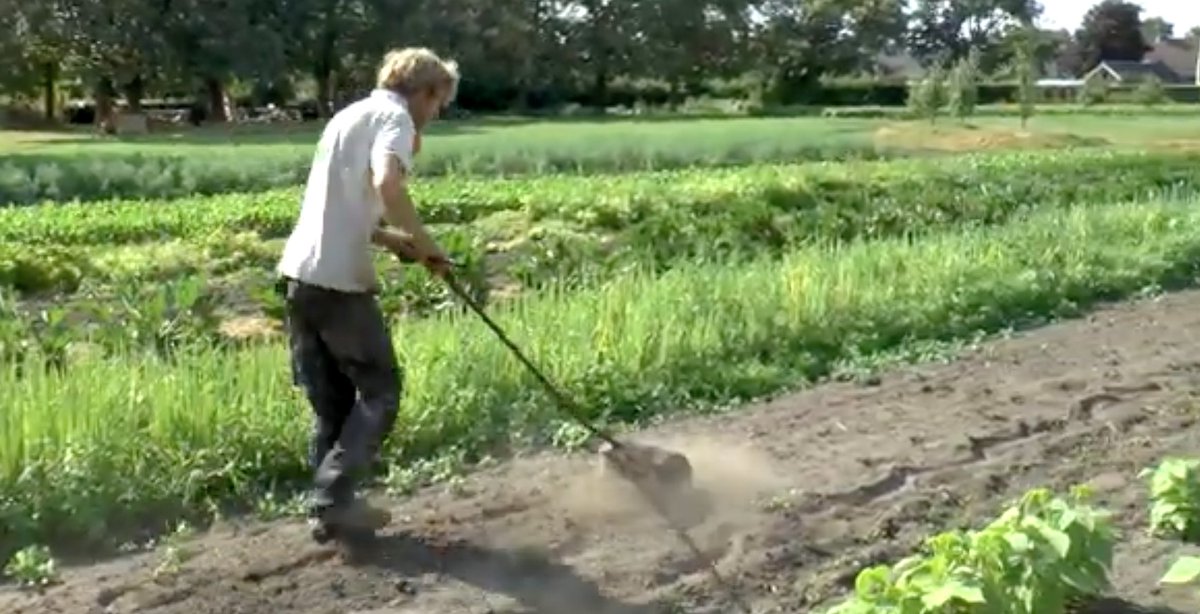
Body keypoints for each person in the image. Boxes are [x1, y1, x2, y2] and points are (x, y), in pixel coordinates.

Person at [275, 47, 459, 539]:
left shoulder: (348, 115)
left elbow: (341, 202)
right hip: (339, 285)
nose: (436, 114)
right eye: (439, 103)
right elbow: (388, 185)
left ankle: (333, 511)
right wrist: (429, 245)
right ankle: (333, 500)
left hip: (299, 276)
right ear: (426, 92)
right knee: (381, 391)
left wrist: (391, 240)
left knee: (334, 405)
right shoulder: (396, 118)